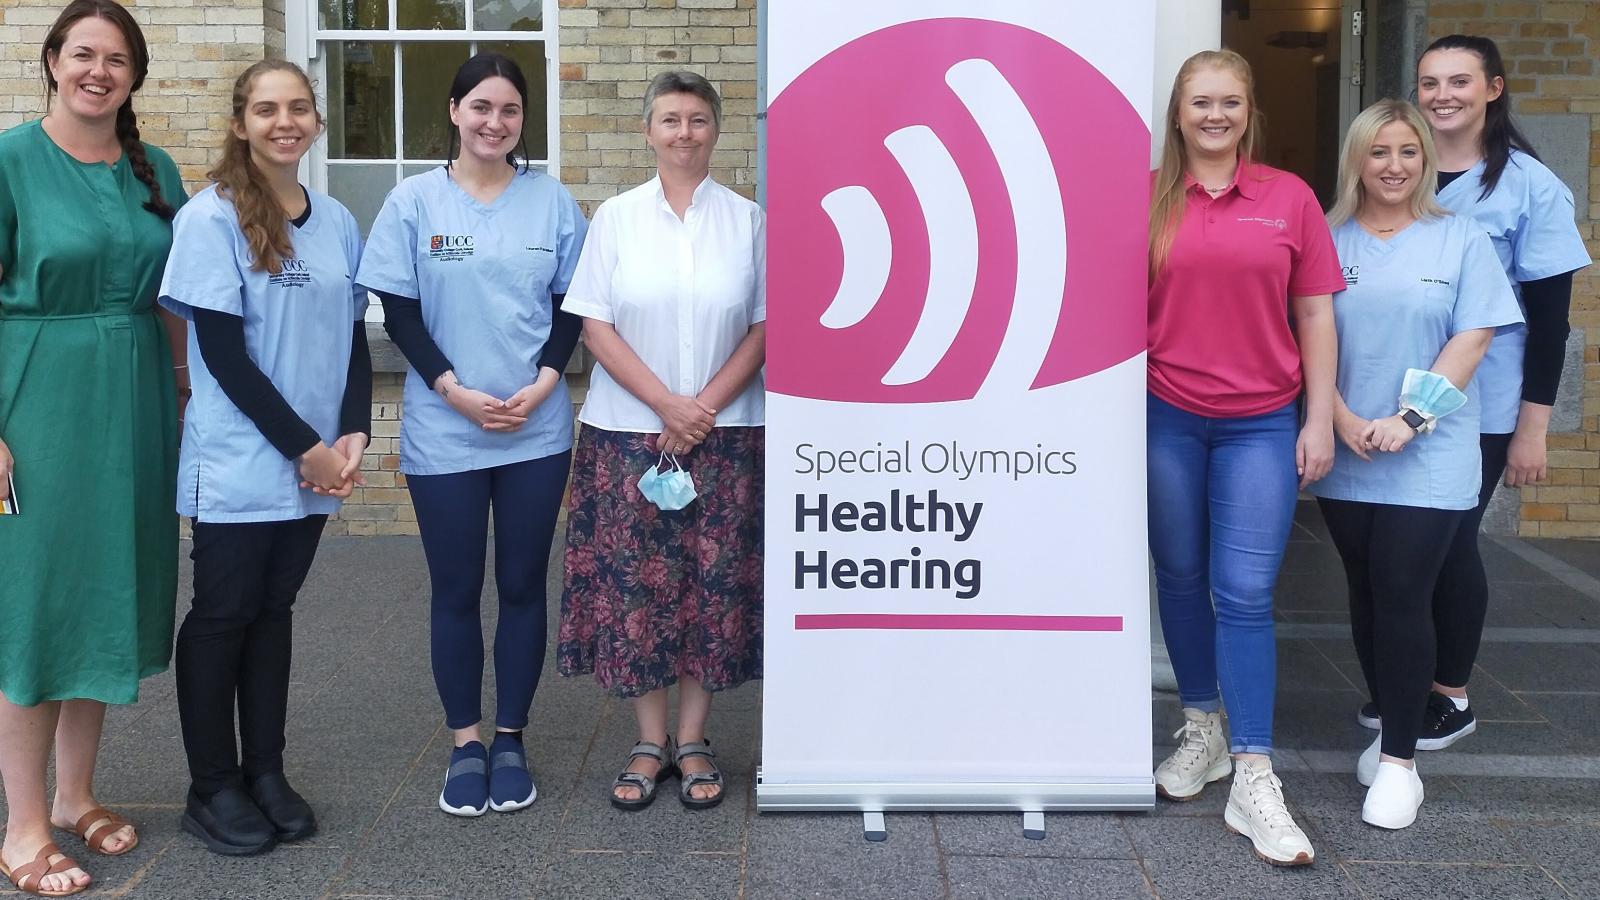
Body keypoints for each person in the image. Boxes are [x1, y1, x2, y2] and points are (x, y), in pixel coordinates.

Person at [356, 52, 587, 818]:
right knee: (456, 591)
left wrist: (548, 382)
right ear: (454, 111)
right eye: (481, 106)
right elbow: (399, 310)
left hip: (534, 426)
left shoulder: (550, 202)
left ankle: (513, 738)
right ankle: (465, 744)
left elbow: (573, 308)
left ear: (524, 122)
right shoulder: (414, 202)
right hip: (445, 429)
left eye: (510, 111)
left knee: (522, 586)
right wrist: (452, 391)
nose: (495, 122)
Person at [1350, 35, 1593, 748]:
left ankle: (1449, 693)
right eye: (1430, 81)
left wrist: (1533, 427)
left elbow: (1551, 323)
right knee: (1401, 554)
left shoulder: (1529, 187)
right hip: (1387, 399)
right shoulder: (1403, 168)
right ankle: (1405, 682)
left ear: (1494, 88)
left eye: (1460, 80)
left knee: (1450, 544)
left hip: (1482, 402)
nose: (1442, 95)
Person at [158, 59, 371, 856]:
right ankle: (211, 785)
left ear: (316, 120)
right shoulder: (210, 218)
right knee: (223, 617)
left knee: (273, 614)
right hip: (246, 461)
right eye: (268, 109)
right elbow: (225, 355)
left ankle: (266, 770)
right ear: (242, 122)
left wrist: (352, 433)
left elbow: (352, 334)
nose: (287, 121)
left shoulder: (338, 221)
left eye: (300, 108)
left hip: (315, 458)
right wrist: (307, 449)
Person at [0, 1, 186, 894]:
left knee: (106, 593)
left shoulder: (154, 169)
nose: (98, 72)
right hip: (39, 402)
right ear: (51, 61)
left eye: (116, 59)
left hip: (139, 400)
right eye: (83, 54)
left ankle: (76, 796)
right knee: (39, 605)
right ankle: (23, 825)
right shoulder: (7, 161)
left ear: (134, 75)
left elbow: (185, 296)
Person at [1145, 49, 1342, 865]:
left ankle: (1255, 774)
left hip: (1262, 422)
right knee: (1181, 579)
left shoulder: (1288, 198)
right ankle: (1204, 730)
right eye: (1200, 102)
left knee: (1247, 591)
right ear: (1179, 113)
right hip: (1165, 419)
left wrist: (1319, 419)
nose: (1215, 115)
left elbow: (1317, 316)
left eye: (1229, 101)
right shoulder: (1146, 202)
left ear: (1249, 109)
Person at [557, 70, 765, 812]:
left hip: (726, 434)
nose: (684, 133)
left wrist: (702, 407)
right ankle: (649, 739)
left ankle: (695, 737)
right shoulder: (614, 218)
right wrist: (665, 405)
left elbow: (764, 327)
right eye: (670, 120)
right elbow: (593, 323)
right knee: (637, 589)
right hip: (628, 436)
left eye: (699, 120)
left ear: (717, 130)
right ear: (648, 132)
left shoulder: (750, 221)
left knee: (709, 591)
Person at [1311, 99, 1520, 829]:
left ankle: (1401, 761)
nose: (1393, 166)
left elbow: (1474, 338)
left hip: (1428, 454)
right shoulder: (1327, 239)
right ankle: (1394, 725)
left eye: (1407, 152)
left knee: (1403, 588)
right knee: (1366, 592)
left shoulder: (1461, 238)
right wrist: (1342, 421)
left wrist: (1409, 419)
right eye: (1379, 152)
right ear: (1357, 161)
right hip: (1347, 449)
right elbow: (1309, 340)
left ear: (1424, 160)